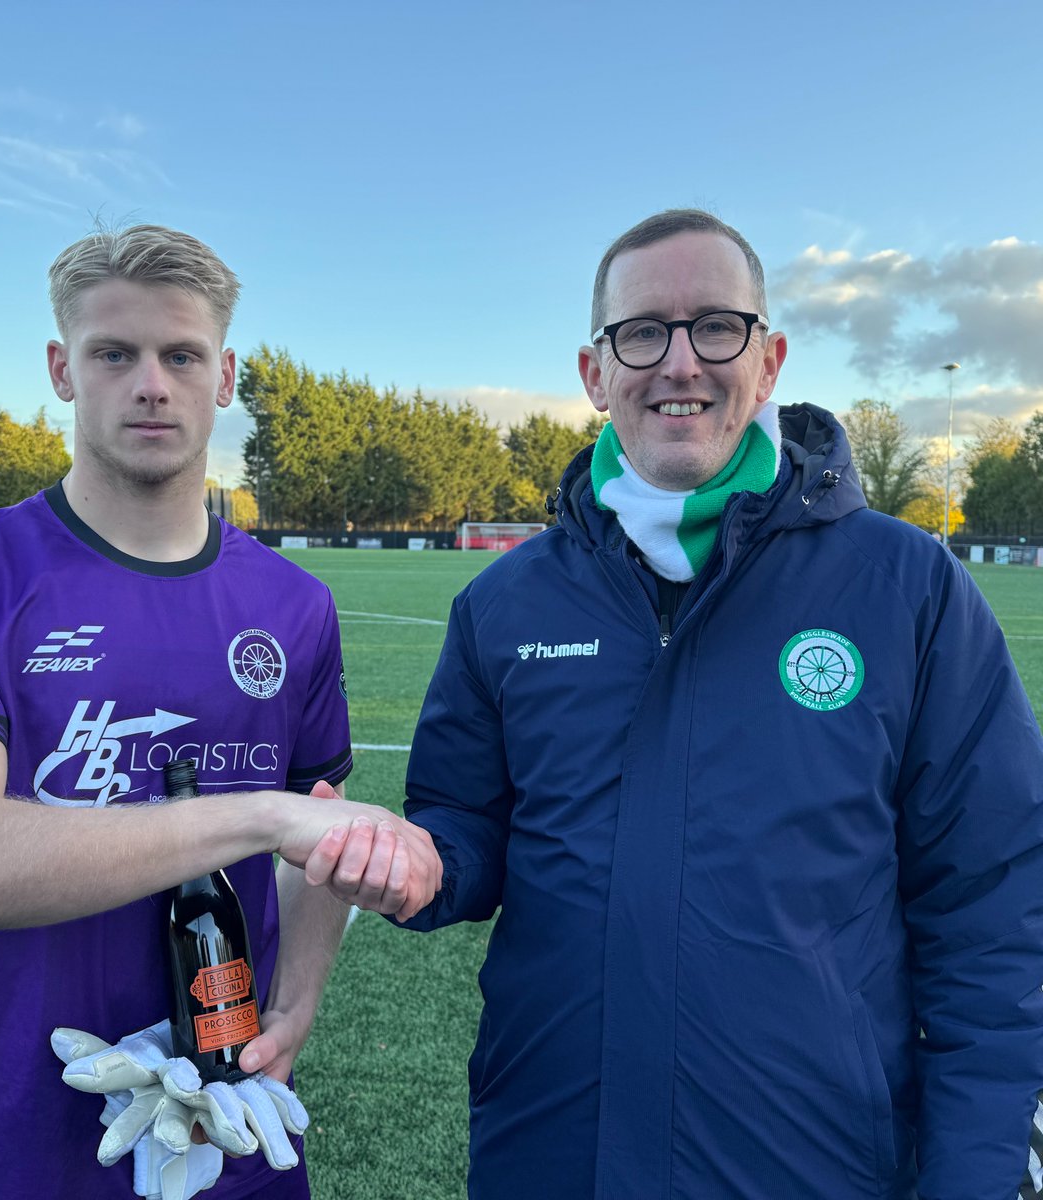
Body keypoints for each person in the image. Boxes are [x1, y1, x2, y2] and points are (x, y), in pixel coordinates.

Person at [315, 209, 1043, 1198]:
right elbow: (470, 827)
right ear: (595, 372)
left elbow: (994, 905)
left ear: (770, 357)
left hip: (814, 1166)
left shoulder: (904, 586)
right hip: (552, 1155)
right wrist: (422, 865)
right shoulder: (503, 604)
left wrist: (974, 1176)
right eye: (643, 332)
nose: (681, 363)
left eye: (717, 327)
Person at [0, 223, 440, 1200]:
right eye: (113, 353)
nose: (150, 383)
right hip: (2, 1138)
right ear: (61, 368)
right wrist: (259, 814)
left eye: (181, 355)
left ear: (224, 377)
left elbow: (319, 832)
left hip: (228, 1134)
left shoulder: (293, 607)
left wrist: (291, 1014)